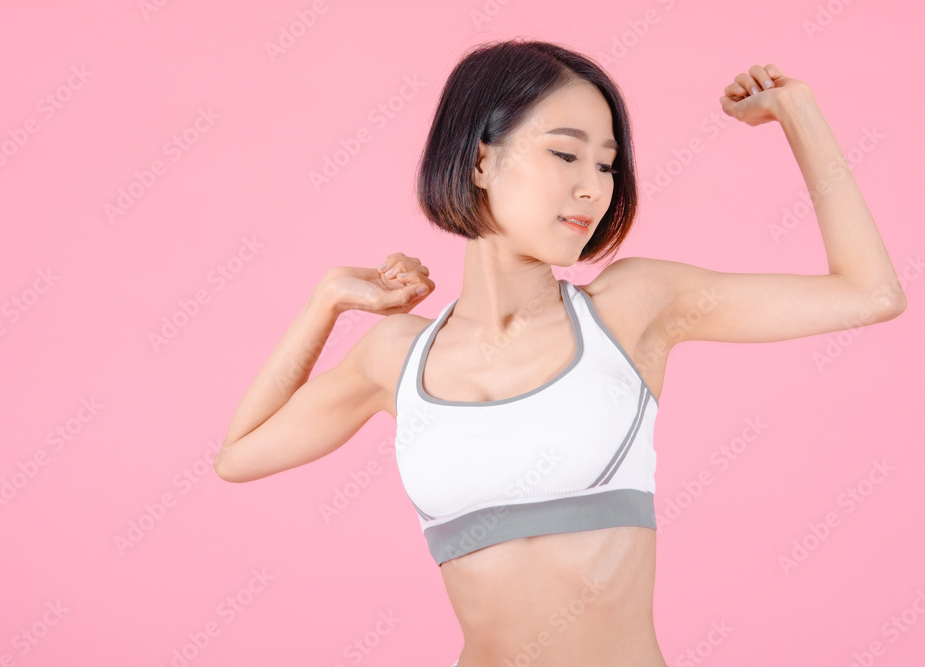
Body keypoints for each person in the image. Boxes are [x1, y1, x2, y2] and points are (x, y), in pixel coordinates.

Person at [214, 39, 907, 667]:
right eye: (566, 153)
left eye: (606, 164)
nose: (593, 187)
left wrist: (797, 112)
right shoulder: (396, 355)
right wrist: (328, 300)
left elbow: (870, 293)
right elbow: (237, 455)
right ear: (481, 157)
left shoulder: (632, 308)